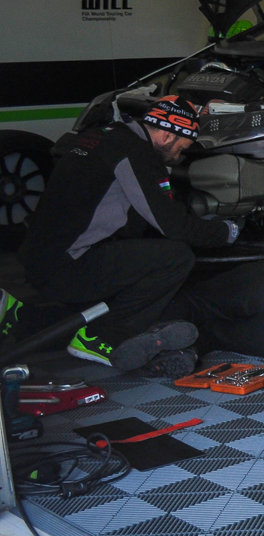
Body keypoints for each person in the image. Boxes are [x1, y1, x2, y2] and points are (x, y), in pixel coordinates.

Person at [18, 96, 238, 374]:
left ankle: (32, 319)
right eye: (182, 146)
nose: (179, 155)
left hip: (39, 258)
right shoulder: (136, 153)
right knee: (176, 258)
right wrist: (225, 231)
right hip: (65, 267)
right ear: (168, 134)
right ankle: (101, 337)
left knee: (139, 249)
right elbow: (174, 226)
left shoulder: (103, 136)